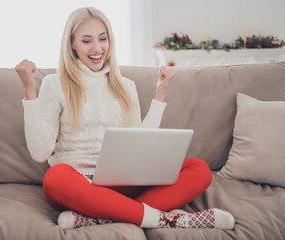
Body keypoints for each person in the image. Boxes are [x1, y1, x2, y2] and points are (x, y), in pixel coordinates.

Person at [15, 7, 235, 230]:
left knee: (198, 169)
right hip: (79, 184)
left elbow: (140, 143)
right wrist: (30, 92)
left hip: (121, 182)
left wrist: (159, 97)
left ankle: (100, 217)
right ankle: (166, 219)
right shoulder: (56, 83)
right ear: (72, 43)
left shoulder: (125, 86)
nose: (97, 48)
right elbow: (40, 152)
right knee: (55, 177)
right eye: (86, 41)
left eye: (103, 39)